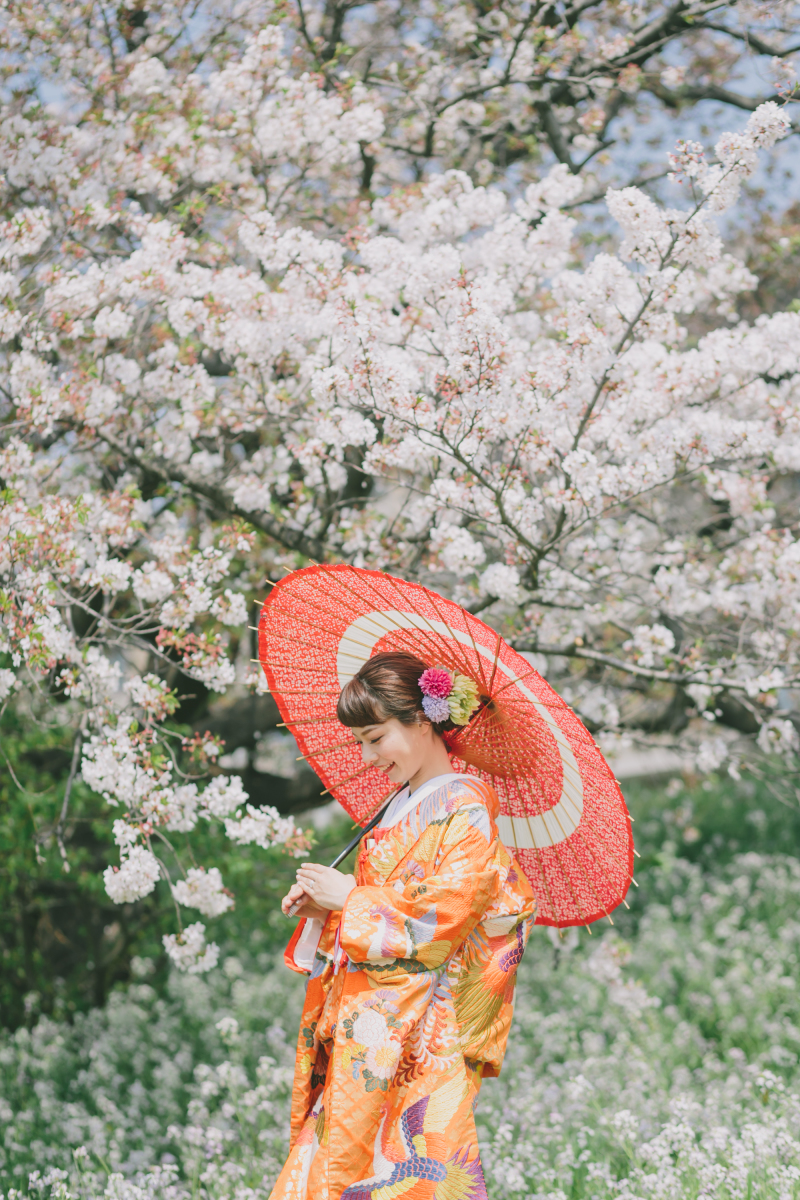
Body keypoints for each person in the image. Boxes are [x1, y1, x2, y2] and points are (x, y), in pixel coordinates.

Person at [270, 650, 537, 1200]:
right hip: (370, 1026)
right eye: (361, 742)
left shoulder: (466, 810)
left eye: (376, 737)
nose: (368, 757)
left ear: (423, 720)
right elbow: (394, 904)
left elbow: (444, 917)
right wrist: (332, 908)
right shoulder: (400, 805)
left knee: (406, 1172)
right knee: (336, 1165)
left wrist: (353, 898)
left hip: (419, 1038)